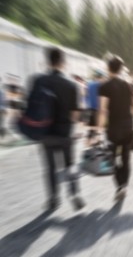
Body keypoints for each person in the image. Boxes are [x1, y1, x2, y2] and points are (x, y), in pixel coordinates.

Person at [33, 47, 85, 211]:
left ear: (48, 61)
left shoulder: (38, 81)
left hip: (45, 133)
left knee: (50, 168)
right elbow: (76, 113)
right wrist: (71, 125)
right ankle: (75, 194)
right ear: (63, 62)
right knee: (70, 164)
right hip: (65, 132)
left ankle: (53, 199)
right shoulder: (71, 85)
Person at [98, 56, 133, 201]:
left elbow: (103, 110)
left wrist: (99, 130)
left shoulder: (105, 86)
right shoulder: (128, 85)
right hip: (128, 127)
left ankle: (119, 186)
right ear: (121, 69)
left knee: (112, 158)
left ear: (108, 68)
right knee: (125, 157)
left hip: (113, 129)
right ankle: (124, 185)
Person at [85, 70, 106, 146]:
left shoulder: (89, 83)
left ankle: (87, 147)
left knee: (90, 131)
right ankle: (97, 146)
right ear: (100, 77)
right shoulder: (100, 84)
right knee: (99, 130)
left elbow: (86, 96)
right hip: (98, 110)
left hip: (90, 109)